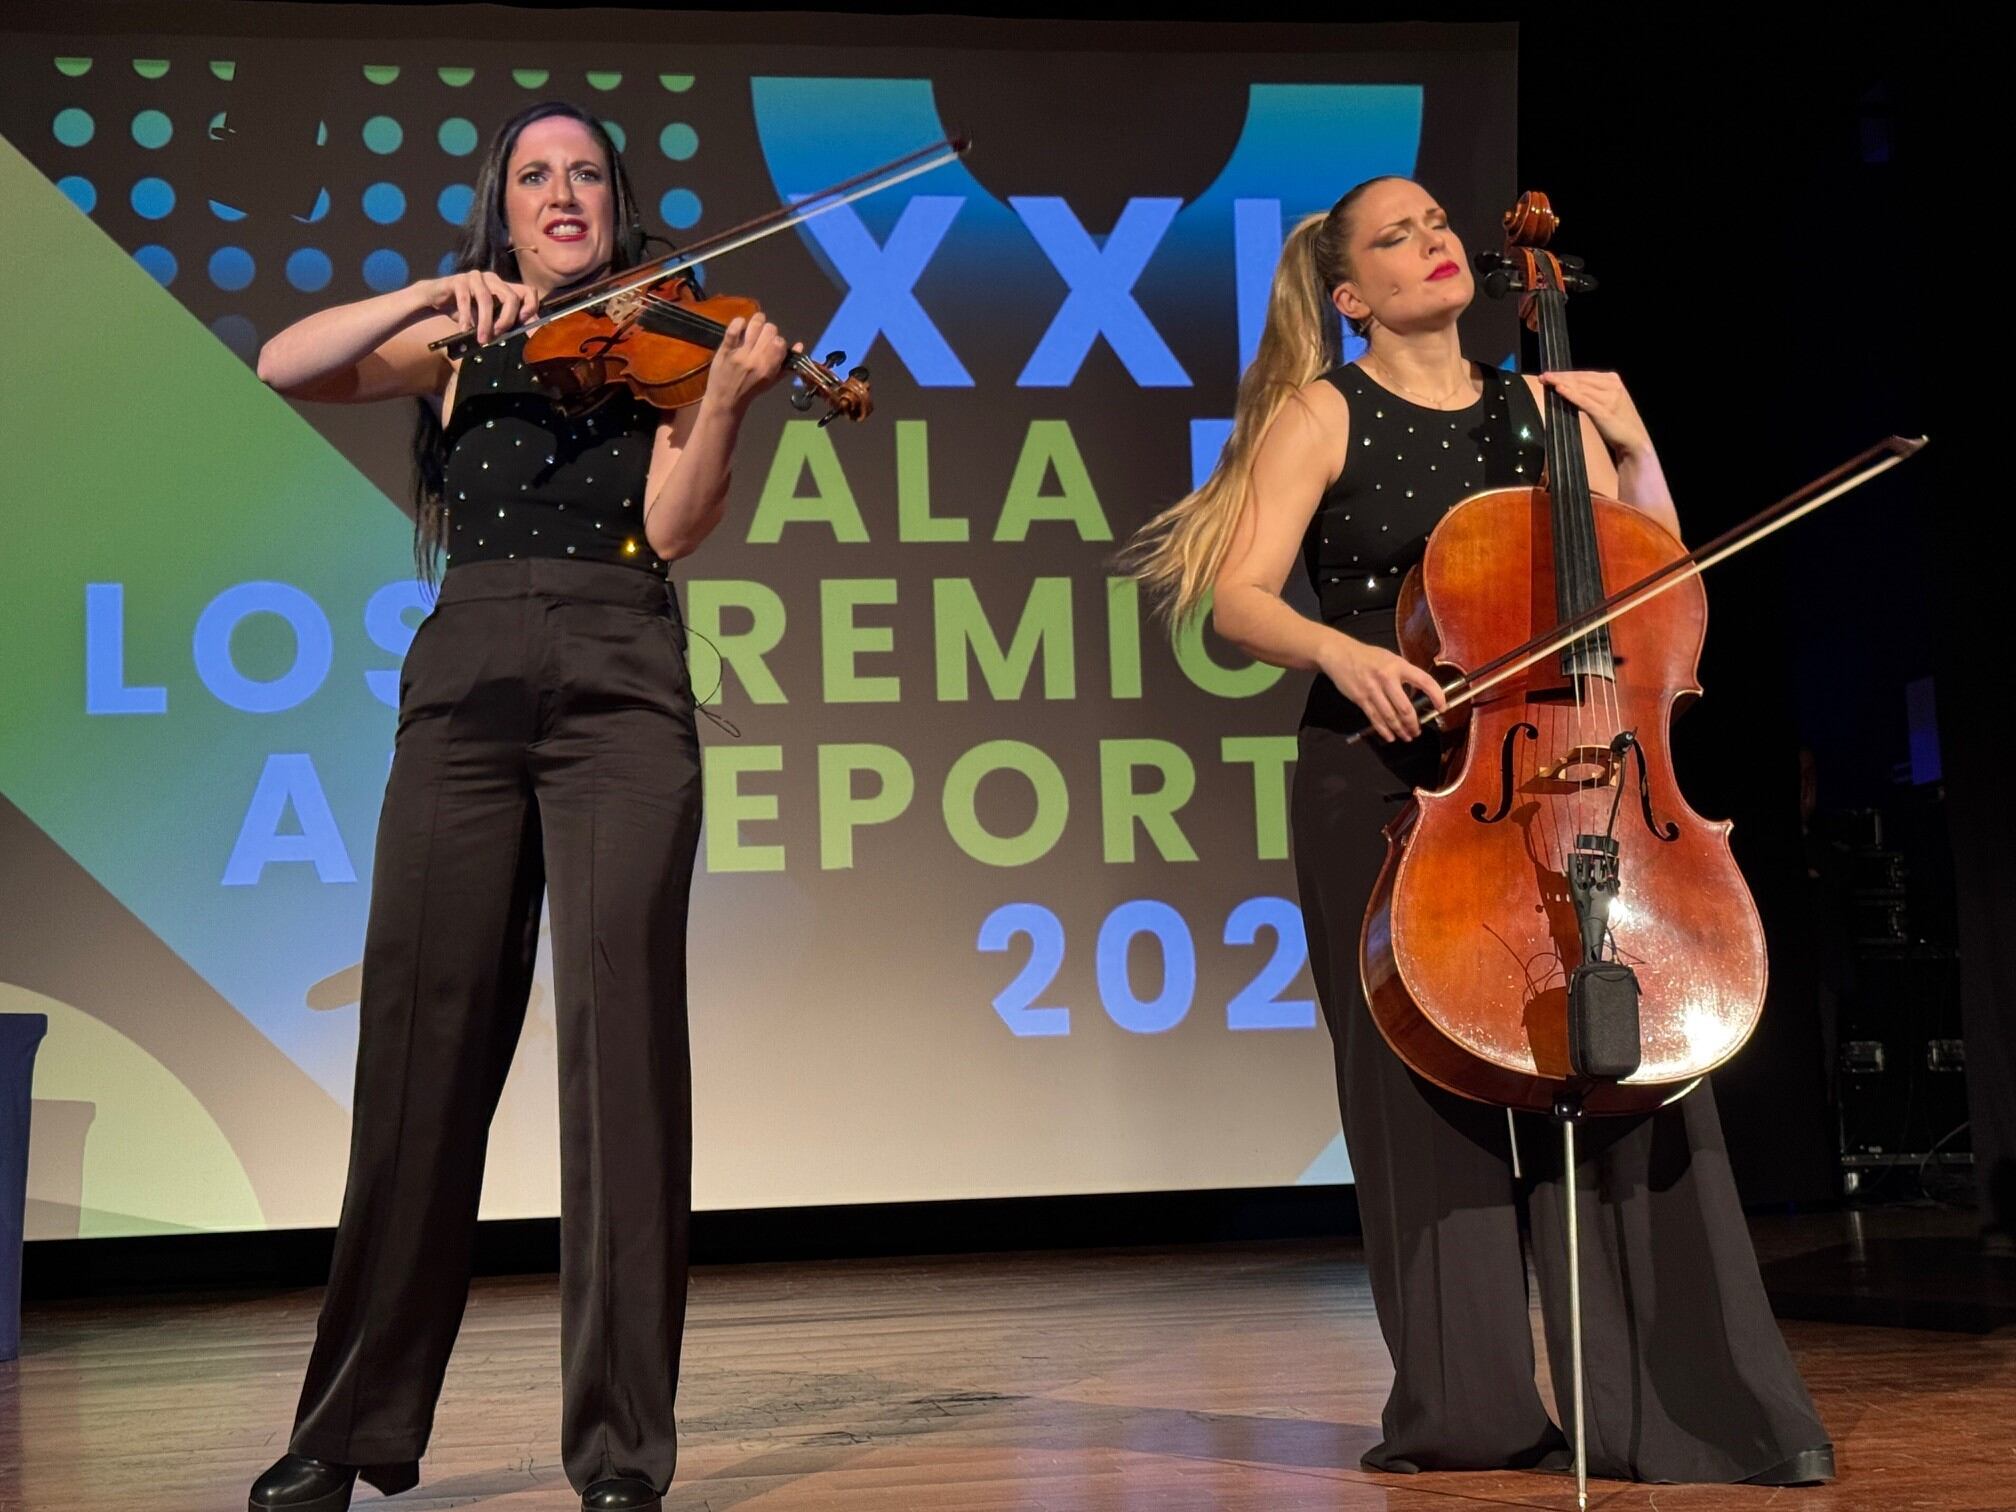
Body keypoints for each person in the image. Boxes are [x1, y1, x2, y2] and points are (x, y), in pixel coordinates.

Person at [1124, 175, 1834, 1486]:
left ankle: (1672, 1408)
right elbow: (1237, 599)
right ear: (1351, 294)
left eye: (1438, 225)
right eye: (1397, 237)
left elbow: (1655, 590)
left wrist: (1635, 446)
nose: (1435, 243)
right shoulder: (1323, 410)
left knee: (1625, 1062)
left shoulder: (1540, 408)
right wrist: (1348, 654)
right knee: (1423, 1098)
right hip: (1388, 784)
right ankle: (1473, 1409)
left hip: (1573, 781)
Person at [245, 101, 789, 1512]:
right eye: (536, 177)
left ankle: (619, 1453)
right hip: (466, 683)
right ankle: (346, 1430)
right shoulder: (460, 337)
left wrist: (725, 393)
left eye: (587, 176)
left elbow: (672, 529)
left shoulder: (676, 340)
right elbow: (280, 362)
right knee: (420, 1051)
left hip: (622, 677)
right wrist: (437, 287)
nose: (564, 195)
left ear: (618, 202)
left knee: (621, 1058)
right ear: (504, 207)